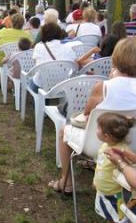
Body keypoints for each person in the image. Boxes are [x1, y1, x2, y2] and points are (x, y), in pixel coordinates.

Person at [49, 38, 136, 195]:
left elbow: (87, 114)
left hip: (98, 145)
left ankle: (66, 182)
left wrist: (111, 80)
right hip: (132, 148)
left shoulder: (103, 87)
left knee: (63, 130)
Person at [93, 113, 133, 223]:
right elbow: (101, 165)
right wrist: (95, 180)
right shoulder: (105, 145)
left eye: (98, 128)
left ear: (106, 136)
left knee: (113, 221)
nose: (96, 130)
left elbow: (129, 171)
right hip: (104, 191)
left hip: (113, 195)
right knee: (110, 218)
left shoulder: (122, 151)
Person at [30, 23, 76, 92]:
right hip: (62, 84)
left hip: (41, 85)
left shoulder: (38, 47)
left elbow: (35, 63)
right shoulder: (68, 48)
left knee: (30, 80)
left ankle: (39, 101)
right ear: (59, 33)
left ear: (43, 33)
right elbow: (74, 63)